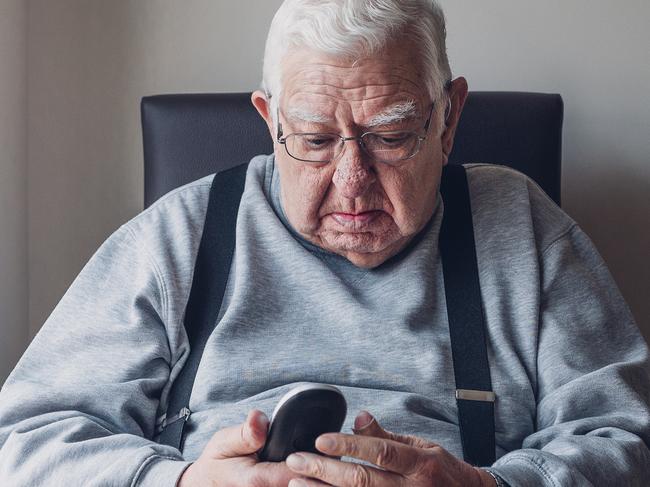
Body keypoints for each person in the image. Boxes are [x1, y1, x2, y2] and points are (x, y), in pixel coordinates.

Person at [1, 0, 649, 485]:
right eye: (313, 140)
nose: (352, 181)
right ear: (269, 119)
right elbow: (24, 442)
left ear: (448, 119)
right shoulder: (180, 235)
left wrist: (490, 484)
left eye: (390, 136)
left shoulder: (519, 227)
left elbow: (624, 439)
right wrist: (177, 479)